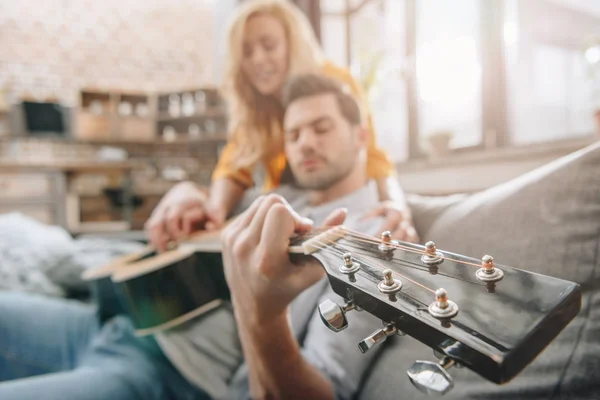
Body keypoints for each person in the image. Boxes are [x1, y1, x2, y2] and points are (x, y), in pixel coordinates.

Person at [0, 74, 397, 400]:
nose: (304, 143)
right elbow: (208, 227)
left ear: (362, 137)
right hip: (119, 324)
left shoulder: (373, 244)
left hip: (166, 375)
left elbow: (323, 389)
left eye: (321, 128)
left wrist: (261, 313)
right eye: (292, 135)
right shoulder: (280, 197)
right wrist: (187, 197)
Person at [145, 0, 418, 251]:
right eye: (247, 51)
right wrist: (212, 211)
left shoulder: (332, 84)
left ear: (292, 44)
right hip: (293, 211)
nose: (258, 59)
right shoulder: (254, 109)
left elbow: (373, 155)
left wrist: (397, 205)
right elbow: (234, 166)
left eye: (269, 45)